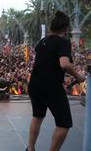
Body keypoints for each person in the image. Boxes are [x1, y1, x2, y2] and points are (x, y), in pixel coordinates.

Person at [26, 11, 85, 151]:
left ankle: (30, 148)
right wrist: (78, 76)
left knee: (37, 116)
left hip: (35, 85)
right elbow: (64, 64)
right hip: (51, 87)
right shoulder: (63, 42)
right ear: (66, 29)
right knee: (64, 123)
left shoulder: (42, 42)